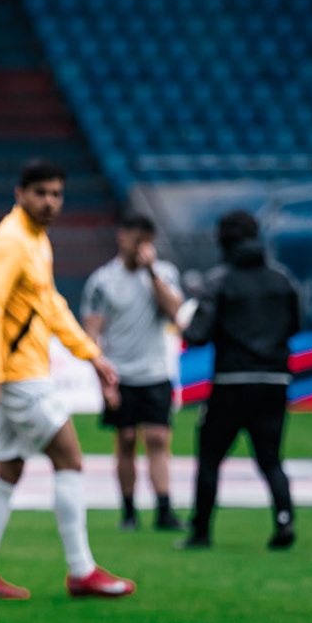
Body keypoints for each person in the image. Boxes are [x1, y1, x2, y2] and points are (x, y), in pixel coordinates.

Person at [0, 162, 131, 601]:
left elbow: (51, 305)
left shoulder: (36, 240)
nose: (50, 202)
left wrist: (90, 354)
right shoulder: (11, 242)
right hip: (20, 379)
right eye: (41, 193)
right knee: (70, 458)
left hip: (23, 376)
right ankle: (81, 571)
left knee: (8, 470)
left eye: (57, 193)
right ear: (20, 193)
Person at [178, 210, 301, 551]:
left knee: (210, 458)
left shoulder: (219, 280)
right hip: (274, 379)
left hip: (231, 380)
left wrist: (184, 322)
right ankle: (284, 521)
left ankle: (201, 531)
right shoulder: (282, 278)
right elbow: (294, 326)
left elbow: (198, 334)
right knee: (271, 459)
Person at [81, 214, 185, 533]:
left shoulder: (164, 273)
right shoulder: (102, 280)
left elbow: (175, 311)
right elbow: (92, 332)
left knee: (157, 438)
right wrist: (102, 379)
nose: (141, 247)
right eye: (136, 240)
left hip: (155, 371)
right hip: (120, 373)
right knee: (125, 440)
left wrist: (152, 272)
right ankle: (128, 510)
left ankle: (164, 508)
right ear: (122, 238)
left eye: (147, 242)